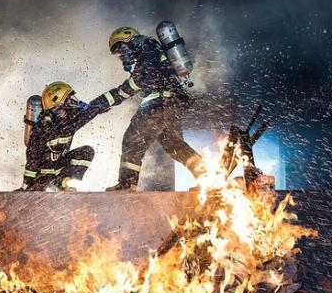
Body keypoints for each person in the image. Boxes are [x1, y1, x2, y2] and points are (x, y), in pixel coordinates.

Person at [103, 26, 204, 191]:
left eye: (120, 51)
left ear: (127, 42)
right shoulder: (153, 48)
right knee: (175, 146)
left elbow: (138, 81)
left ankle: (127, 185)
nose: (121, 57)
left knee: (132, 141)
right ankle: (207, 178)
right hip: (172, 105)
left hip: (157, 105)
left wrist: (111, 98)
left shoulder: (147, 48)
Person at [20, 82, 113, 191]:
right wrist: (26, 187)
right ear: (58, 107)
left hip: (59, 170)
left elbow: (95, 107)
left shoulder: (70, 121)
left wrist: (120, 93)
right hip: (42, 175)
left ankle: (62, 182)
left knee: (86, 151)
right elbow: (32, 159)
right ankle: (54, 185)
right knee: (34, 190)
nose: (74, 102)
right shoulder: (42, 129)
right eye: (69, 100)